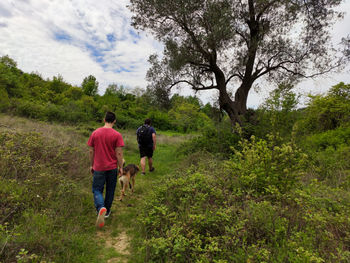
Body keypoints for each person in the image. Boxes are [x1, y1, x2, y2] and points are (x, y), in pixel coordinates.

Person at [87, 111, 124, 228]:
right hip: (112, 167)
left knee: (97, 189)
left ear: (104, 119)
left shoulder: (95, 133)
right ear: (114, 121)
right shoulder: (117, 135)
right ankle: (106, 211)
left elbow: (91, 151)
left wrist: (91, 165)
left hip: (98, 167)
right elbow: (118, 153)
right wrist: (121, 167)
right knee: (110, 189)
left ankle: (100, 207)